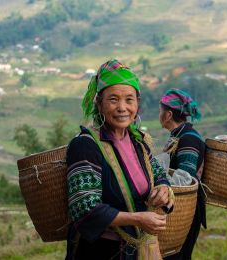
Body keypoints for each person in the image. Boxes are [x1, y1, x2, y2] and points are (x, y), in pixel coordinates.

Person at [65, 59, 174, 260]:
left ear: (137, 103)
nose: (122, 107)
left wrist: (164, 189)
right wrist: (137, 219)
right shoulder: (85, 146)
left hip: (139, 251)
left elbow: (158, 175)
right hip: (100, 252)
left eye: (129, 100)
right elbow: (84, 208)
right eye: (113, 99)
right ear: (99, 103)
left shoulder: (138, 142)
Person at [159, 88, 206, 260]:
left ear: (168, 114)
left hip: (184, 212)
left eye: (160, 110)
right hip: (179, 208)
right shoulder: (179, 135)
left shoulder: (188, 139)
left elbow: (185, 178)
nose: (159, 114)